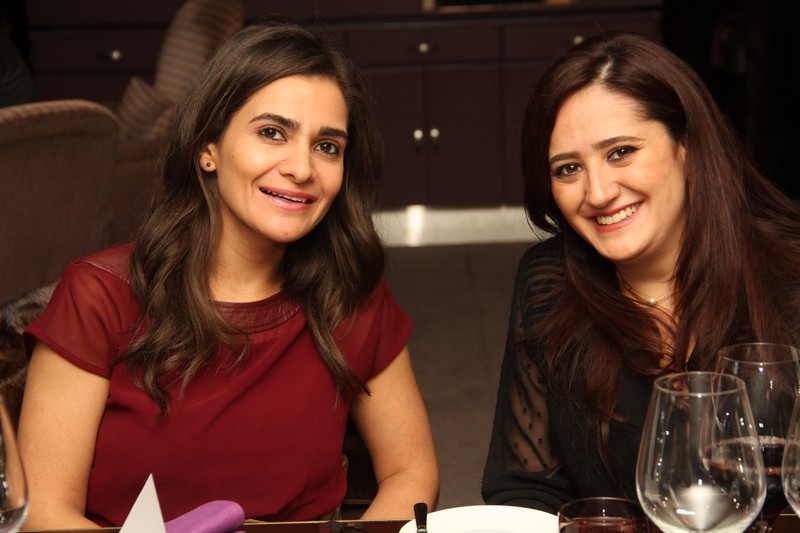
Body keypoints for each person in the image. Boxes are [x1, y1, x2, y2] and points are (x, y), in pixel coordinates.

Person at [17, 23, 439, 528]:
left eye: (327, 146)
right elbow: (43, 513)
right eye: (272, 133)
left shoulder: (352, 296)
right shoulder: (100, 295)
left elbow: (411, 471)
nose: (302, 168)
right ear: (208, 148)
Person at [482, 31, 800, 513]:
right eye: (568, 168)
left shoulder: (789, 275)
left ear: (686, 146)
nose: (598, 192)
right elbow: (526, 489)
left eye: (620, 152)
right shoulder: (549, 280)